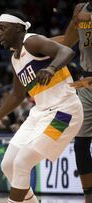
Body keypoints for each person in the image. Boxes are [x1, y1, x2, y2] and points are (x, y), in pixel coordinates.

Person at [0, 11, 83, 203]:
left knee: (23, 161)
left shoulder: (31, 41)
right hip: (39, 114)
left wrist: (51, 68)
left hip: (65, 113)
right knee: (8, 165)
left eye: (2, 29)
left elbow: (66, 51)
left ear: (17, 28)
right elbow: (17, 95)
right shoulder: (16, 59)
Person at [52, 2, 92, 202]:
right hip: (86, 83)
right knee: (81, 144)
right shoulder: (80, 10)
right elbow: (67, 42)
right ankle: (89, 197)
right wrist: (36, 44)